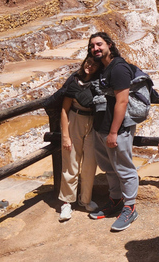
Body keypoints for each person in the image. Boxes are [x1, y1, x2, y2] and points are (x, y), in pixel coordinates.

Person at [86, 32, 140, 232]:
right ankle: (115, 201)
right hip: (101, 127)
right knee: (109, 168)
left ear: (109, 44)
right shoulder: (103, 68)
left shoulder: (118, 68)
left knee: (124, 169)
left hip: (116, 130)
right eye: (92, 46)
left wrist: (113, 132)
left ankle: (130, 207)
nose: (95, 49)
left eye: (99, 44)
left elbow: (122, 101)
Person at [57, 54, 101, 221]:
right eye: (88, 62)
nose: (89, 66)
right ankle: (67, 203)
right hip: (75, 119)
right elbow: (64, 109)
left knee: (90, 163)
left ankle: (86, 200)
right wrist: (65, 136)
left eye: (94, 65)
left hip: (93, 122)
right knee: (71, 162)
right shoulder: (74, 81)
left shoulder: (98, 83)